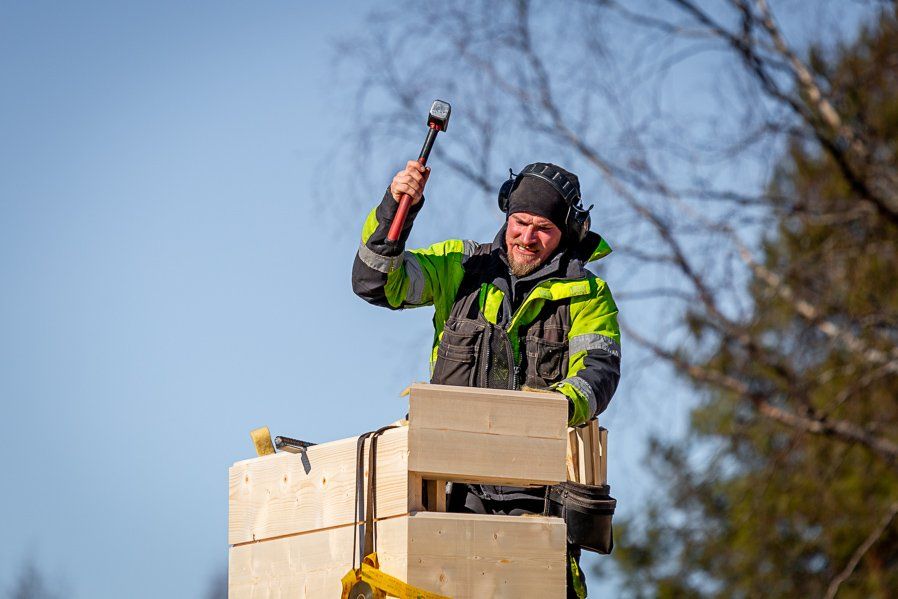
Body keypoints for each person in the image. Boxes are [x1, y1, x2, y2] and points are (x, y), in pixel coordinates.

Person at [352, 160, 621, 598]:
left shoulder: (589, 296)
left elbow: (598, 373)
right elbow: (377, 283)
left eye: (543, 229)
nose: (527, 238)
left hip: (537, 501)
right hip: (447, 492)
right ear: (506, 215)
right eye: (520, 222)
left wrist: (545, 413)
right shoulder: (460, 267)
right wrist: (395, 208)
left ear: (567, 233)